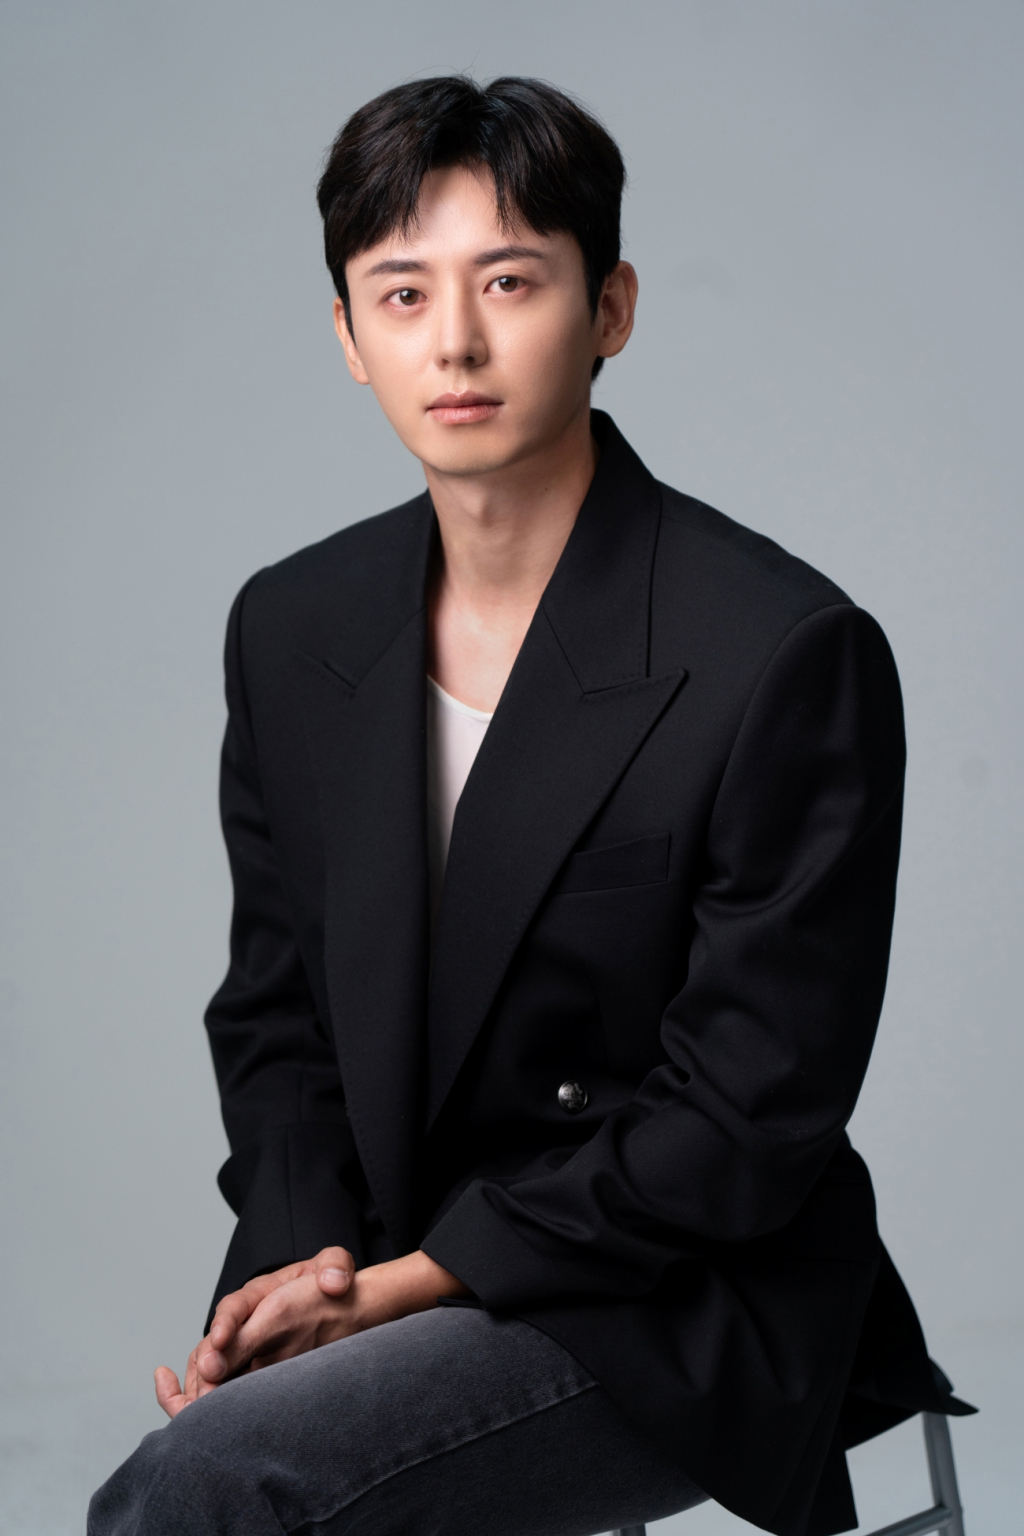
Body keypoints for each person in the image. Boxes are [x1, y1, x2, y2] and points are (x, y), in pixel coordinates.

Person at [88, 75, 971, 1536]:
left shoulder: (777, 649)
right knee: (223, 1467)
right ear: (347, 336)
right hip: (384, 1259)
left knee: (209, 1488)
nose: (455, 340)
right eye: (402, 293)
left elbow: (743, 1118)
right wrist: (305, 1272)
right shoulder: (295, 626)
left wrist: (406, 1289)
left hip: (668, 1292)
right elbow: (279, 1022)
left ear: (609, 307)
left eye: (509, 281)